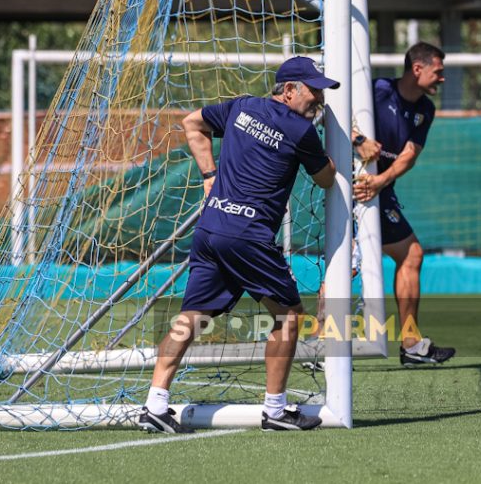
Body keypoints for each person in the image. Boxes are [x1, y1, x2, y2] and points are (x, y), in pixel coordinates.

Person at [139, 56, 338, 433]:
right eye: (314, 91)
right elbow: (326, 180)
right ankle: (276, 410)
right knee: (289, 317)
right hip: (248, 236)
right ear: (289, 89)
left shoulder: (242, 106)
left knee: (190, 319)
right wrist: (336, 148)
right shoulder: (301, 131)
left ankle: (155, 403)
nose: (319, 100)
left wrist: (209, 176)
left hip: (211, 227)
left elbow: (191, 123)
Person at [352, 42, 455, 367]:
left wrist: (380, 182)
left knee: (410, 255)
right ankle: (320, 343)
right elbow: (333, 114)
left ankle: (410, 343)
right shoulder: (377, 90)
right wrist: (359, 141)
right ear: (417, 69)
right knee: (347, 261)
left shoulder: (426, 109)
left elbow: (409, 155)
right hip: (352, 187)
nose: (442, 79)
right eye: (438, 72)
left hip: (379, 191)